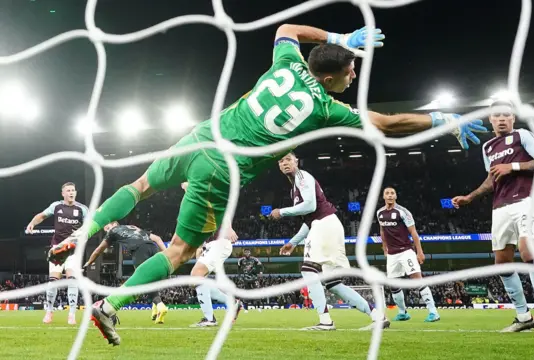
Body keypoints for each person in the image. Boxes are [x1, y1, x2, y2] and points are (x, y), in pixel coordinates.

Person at [51, 24, 485, 345]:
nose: (354, 76)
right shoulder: (328, 109)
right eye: (352, 70)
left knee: (141, 184)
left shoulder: (288, 61)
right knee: (180, 252)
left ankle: (82, 232)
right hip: (222, 171)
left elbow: (286, 28)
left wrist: (339, 37)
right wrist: (443, 121)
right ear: (332, 79)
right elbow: (388, 123)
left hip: (199, 137)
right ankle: (110, 306)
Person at [452, 100, 534, 336]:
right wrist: (470, 197)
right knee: (502, 263)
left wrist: (514, 166)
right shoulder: (488, 146)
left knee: (528, 250)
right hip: (500, 207)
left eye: (506, 115)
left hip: (527, 201)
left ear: (512, 118)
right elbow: (492, 179)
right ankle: (523, 316)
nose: (501, 119)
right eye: (496, 115)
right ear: (490, 119)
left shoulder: (523, 135)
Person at [276, 152, 389, 330]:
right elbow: (309, 220)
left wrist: (282, 211)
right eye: (281, 161)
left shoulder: (302, 176)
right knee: (333, 284)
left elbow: (311, 206)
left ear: (297, 161)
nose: (285, 163)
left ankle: (325, 321)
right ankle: (377, 316)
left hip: (324, 224)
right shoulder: (295, 188)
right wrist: (294, 242)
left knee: (308, 270)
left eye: (288, 159)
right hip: (328, 224)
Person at [26, 182, 87, 325]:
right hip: (57, 249)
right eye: (68, 190)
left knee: (72, 279)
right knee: (53, 281)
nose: (71, 192)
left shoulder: (82, 209)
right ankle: (49, 312)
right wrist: (32, 223)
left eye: (73, 190)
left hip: (73, 249)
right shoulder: (56, 206)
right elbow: (41, 215)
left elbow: (91, 224)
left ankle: (71, 314)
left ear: (75, 192)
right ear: (63, 193)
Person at [84, 222, 169, 323]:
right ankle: (155, 310)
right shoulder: (134, 227)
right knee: (151, 280)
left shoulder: (113, 231)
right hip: (153, 247)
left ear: (114, 224)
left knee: (143, 280)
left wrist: (88, 263)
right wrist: (166, 253)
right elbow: (157, 238)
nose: (106, 229)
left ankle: (160, 306)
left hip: (139, 250)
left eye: (107, 227)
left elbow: (99, 250)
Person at [376, 187, 439, 322]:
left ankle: (433, 311)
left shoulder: (403, 212)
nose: (390, 195)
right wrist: (384, 248)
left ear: (396, 196)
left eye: (392, 193)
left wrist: (419, 251)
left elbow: (414, 233)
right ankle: (403, 312)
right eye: (387, 193)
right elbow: (382, 231)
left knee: (417, 279)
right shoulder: (380, 213)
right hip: (392, 255)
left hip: (406, 251)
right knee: (393, 285)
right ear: (383, 197)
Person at [190, 228, 242, 327]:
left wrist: (229, 228)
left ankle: (210, 319)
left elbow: (224, 214)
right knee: (197, 281)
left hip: (219, 243)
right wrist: (200, 247)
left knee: (196, 276)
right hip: (210, 246)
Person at [237, 248, 264, 312]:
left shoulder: (254, 259)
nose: (247, 253)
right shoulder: (240, 260)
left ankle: (259, 307)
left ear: (250, 252)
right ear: (244, 253)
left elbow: (261, 266)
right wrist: (239, 276)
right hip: (246, 279)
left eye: (248, 252)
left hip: (254, 278)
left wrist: (261, 272)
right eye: (245, 252)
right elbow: (238, 269)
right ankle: (246, 309)